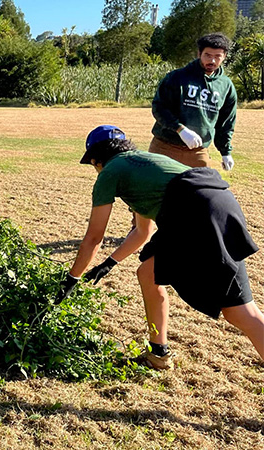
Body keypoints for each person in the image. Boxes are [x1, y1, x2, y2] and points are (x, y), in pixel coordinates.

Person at [61, 125, 264, 370]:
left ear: (95, 160)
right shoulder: (141, 164)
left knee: (240, 312)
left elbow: (94, 238)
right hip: (214, 203)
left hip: (194, 212)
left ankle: (159, 353)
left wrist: (71, 279)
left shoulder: (110, 172)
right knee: (148, 273)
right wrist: (108, 264)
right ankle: (159, 354)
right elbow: (142, 232)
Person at [150, 32, 237, 170]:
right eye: (208, 55)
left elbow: (226, 122)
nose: (212, 61)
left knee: (200, 190)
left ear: (224, 57)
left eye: (217, 56)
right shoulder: (176, 77)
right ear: (199, 54)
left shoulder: (226, 86)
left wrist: (226, 152)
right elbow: (159, 108)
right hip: (165, 147)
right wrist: (180, 129)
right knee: (158, 190)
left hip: (198, 151)